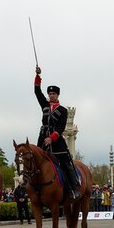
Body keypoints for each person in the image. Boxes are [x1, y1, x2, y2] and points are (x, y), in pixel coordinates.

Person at [33, 66, 79, 199]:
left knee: (66, 163)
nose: (51, 95)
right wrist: (37, 76)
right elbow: (37, 92)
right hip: (42, 137)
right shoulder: (45, 105)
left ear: (58, 95)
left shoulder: (63, 110)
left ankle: (74, 188)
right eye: (50, 94)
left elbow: (60, 127)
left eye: (53, 94)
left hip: (57, 140)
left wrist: (51, 138)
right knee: (34, 162)